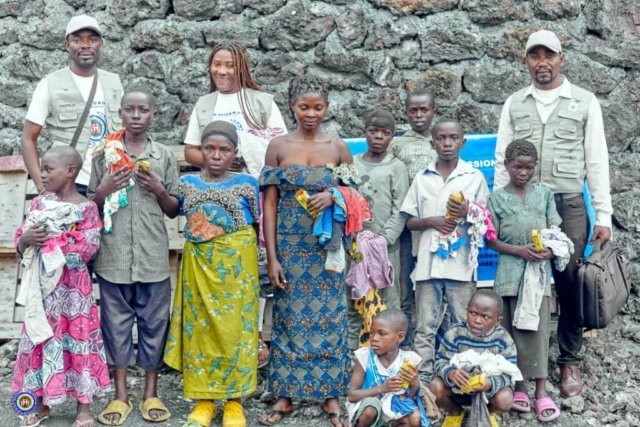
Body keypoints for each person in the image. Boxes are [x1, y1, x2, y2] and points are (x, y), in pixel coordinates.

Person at [494, 29, 613, 397]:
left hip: (567, 204)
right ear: (525, 60)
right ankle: (518, 364)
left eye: (549, 55)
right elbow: (502, 160)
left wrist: (604, 214)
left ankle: (569, 362)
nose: (542, 63)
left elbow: (596, 160)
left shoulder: (584, 101)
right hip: (522, 203)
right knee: (519, 278)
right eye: (535, 56)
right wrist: (500, 208)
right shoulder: (515, 103)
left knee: (570, 281)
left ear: (563, 58)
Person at [259, 75, 354, 427]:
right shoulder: (279, 147)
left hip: (327, 251)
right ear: (292, 108)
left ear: (327, 108)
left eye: (318, 107)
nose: (310, 114)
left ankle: (331, 396)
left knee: (330, 319)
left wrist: (335, 195)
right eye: (304, 107)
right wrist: (272, 257)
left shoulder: (338, 147)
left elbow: (357, 197)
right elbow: (268, 204)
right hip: (290, 248)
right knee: (288, 320)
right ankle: (285, 395)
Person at [87, 88, 179, 425]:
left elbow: (173, 210)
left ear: (153, 114)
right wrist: (104, 189)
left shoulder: (164, 156)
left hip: (153, 258)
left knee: (155, 326)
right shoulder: (104, 155)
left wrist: (157, 188)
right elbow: (90, 206)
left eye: (143, 110)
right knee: (115, 326)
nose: (136, 115)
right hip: (113, 258)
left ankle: (151, 393)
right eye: (130, 110)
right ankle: (120, 395)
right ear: (120, 114)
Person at [164, 121, 260, 427]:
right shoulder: (187, 183)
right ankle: (204, 401)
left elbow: (255, 225)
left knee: (236, 331)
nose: (217, 155)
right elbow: (172, 209)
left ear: (235, 152)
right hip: (199, 266)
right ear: (200, 151)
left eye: (225, 149)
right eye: (210, 148)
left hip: (237, 267)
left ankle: (234, 403)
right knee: (201, 330)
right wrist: (155, 186)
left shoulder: (247, 183)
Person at [12, 146, 110, 427]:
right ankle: (37, 404)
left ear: (70, 172)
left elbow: (89, 247)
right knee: (38, 339)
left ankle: (83, 407)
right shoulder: (39, 205)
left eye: (47, 169)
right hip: (42, 292)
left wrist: (54, 241)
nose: (41, 175)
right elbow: (21, 240)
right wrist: (27, 239)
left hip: (73, 293)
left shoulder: (87, 209)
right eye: (41, 169)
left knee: (79, 341)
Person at [400, 119, 489, 384]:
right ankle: (425, 381)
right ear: (432, 143)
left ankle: (461, 377)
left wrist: (468, 212)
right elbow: (410, 221)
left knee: (463, 322)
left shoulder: (474, 177)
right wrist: (432, 221)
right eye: (441, 138)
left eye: (453, 138)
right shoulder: (422, 178)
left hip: (461, 266)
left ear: (463, 142)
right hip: (427, 265)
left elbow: (486, 220)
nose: (447, 144)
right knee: (425, 325)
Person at [486, 140, 562, 422]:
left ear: (535, 167)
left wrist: (550, 250)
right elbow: (490, 240)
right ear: (507, 166)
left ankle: (541, 391)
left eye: (529, 167)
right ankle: (519, 387)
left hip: (537, 276)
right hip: (508, 273)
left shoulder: (543, 194)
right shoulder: (496, 199)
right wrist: (518, 250)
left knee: (539, 331)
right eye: (517, 166)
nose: (523, 172)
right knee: (512, 332)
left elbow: (555, 230)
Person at [21, 15, 124, 196]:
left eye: (92, 40)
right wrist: (42, 188)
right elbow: (28, 138)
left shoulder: (114, 83)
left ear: (102, 43)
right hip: (69, 187)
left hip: (110, 183)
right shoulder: (50, 84)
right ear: (67, 45)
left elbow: (126, 133)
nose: (85, 45)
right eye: (77, 40)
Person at [349, 109, 409, 348]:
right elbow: (346, 201)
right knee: (355, 299)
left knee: (388, 302)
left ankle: (386, 359)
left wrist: (383, 240)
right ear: (364, 133)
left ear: (392, 137)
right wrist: (352, 237)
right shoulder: (352, 164)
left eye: (385, 133)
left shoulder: (397, 168)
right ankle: (353, 358)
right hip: (355, 248)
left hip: (386, 249)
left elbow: (401, 208)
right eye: (373, 131)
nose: (378, 137)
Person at [183, 41, 287, 177]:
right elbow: (190, 151)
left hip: (259, 184)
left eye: (230, 66)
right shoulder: (204, 105)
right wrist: (219, 162)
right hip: (217, 187)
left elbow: (283, 146)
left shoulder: (263, 102)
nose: (221, 71)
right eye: (217, 64)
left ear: (242, 69)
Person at [389, 90, 438, 347]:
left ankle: (434, 341)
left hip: (436, 226)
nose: (419, 115)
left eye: (424, 110)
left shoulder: (442, 139)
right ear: (406, 112)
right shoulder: (397, 144)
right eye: (413, 110)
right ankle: (405, 343)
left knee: (434, 284)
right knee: (404, 286)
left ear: (433, 110)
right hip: (406, 227)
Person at [429, 290, 516, 427]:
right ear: (467, 311)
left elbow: (510, 374)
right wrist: (451, 373)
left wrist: (490, 383)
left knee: (505, 399)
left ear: (498, 320)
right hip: (457, 388)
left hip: (488, 393)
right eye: (473, 313)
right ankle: (454, 411)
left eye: (485, 317)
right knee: (434, 386)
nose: (477, 320)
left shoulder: (503, 339)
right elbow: (440, 361)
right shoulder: (455, 333)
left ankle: (487, 413)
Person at [347, 309, 423, 427]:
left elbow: (408, 399)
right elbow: (352, 396)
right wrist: (382, 388)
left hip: (391, 412)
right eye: (372, 332)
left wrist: (415, 385)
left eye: (382, 334)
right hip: (367, 411)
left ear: (400, 337)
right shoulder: (365, 357)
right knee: (370, 409)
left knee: (414, 418)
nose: (374, 338)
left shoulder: (408, 360)